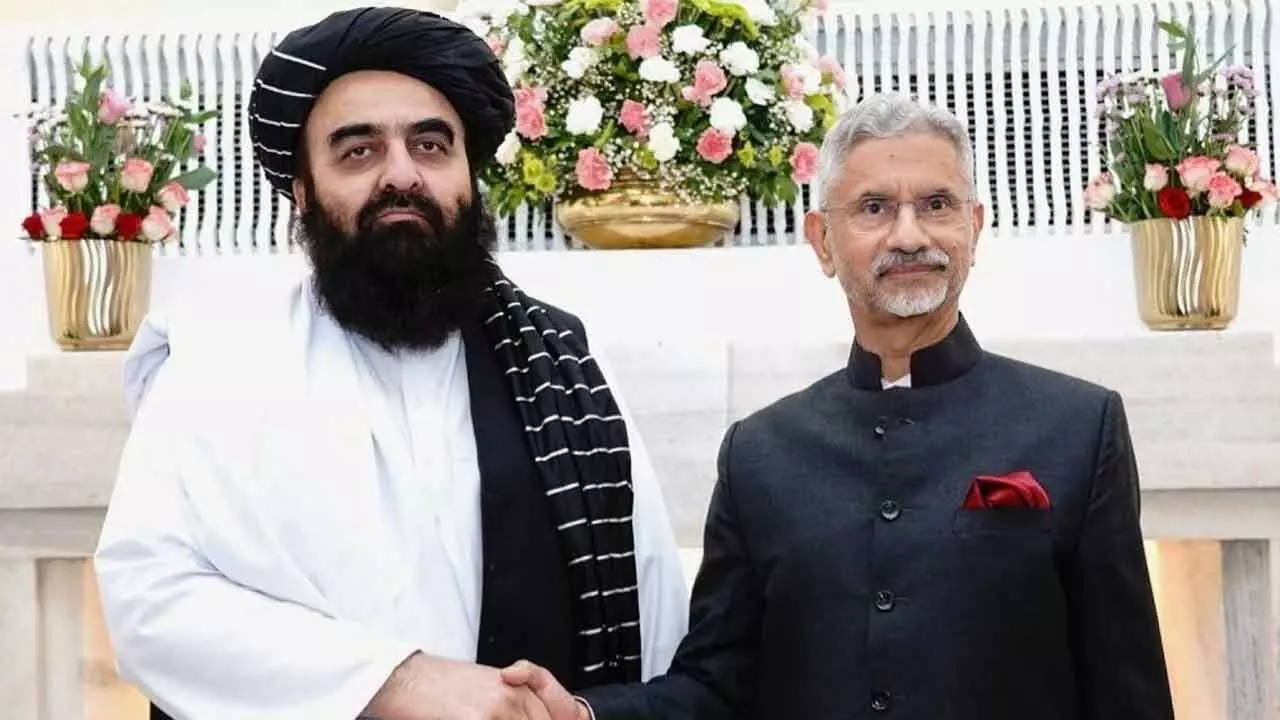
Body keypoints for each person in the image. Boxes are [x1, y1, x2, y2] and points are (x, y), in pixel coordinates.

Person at [93, 7, 688, 720]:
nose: (401, 174)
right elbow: (149, 600)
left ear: (468, 176)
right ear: (303, 192)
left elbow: (656, 610)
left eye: (431, 146)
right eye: (358, 151)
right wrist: (396, 682)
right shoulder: (217, 364)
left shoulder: (564, 363)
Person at [505, 92, 1176, 719]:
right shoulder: (759, 454)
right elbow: (717, 685)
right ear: (823, 241)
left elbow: (1129, 692)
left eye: (937, 204)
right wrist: (586, 714)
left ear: (973, 229)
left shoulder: (1077, 427)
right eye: (874, 208)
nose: (909, 236)